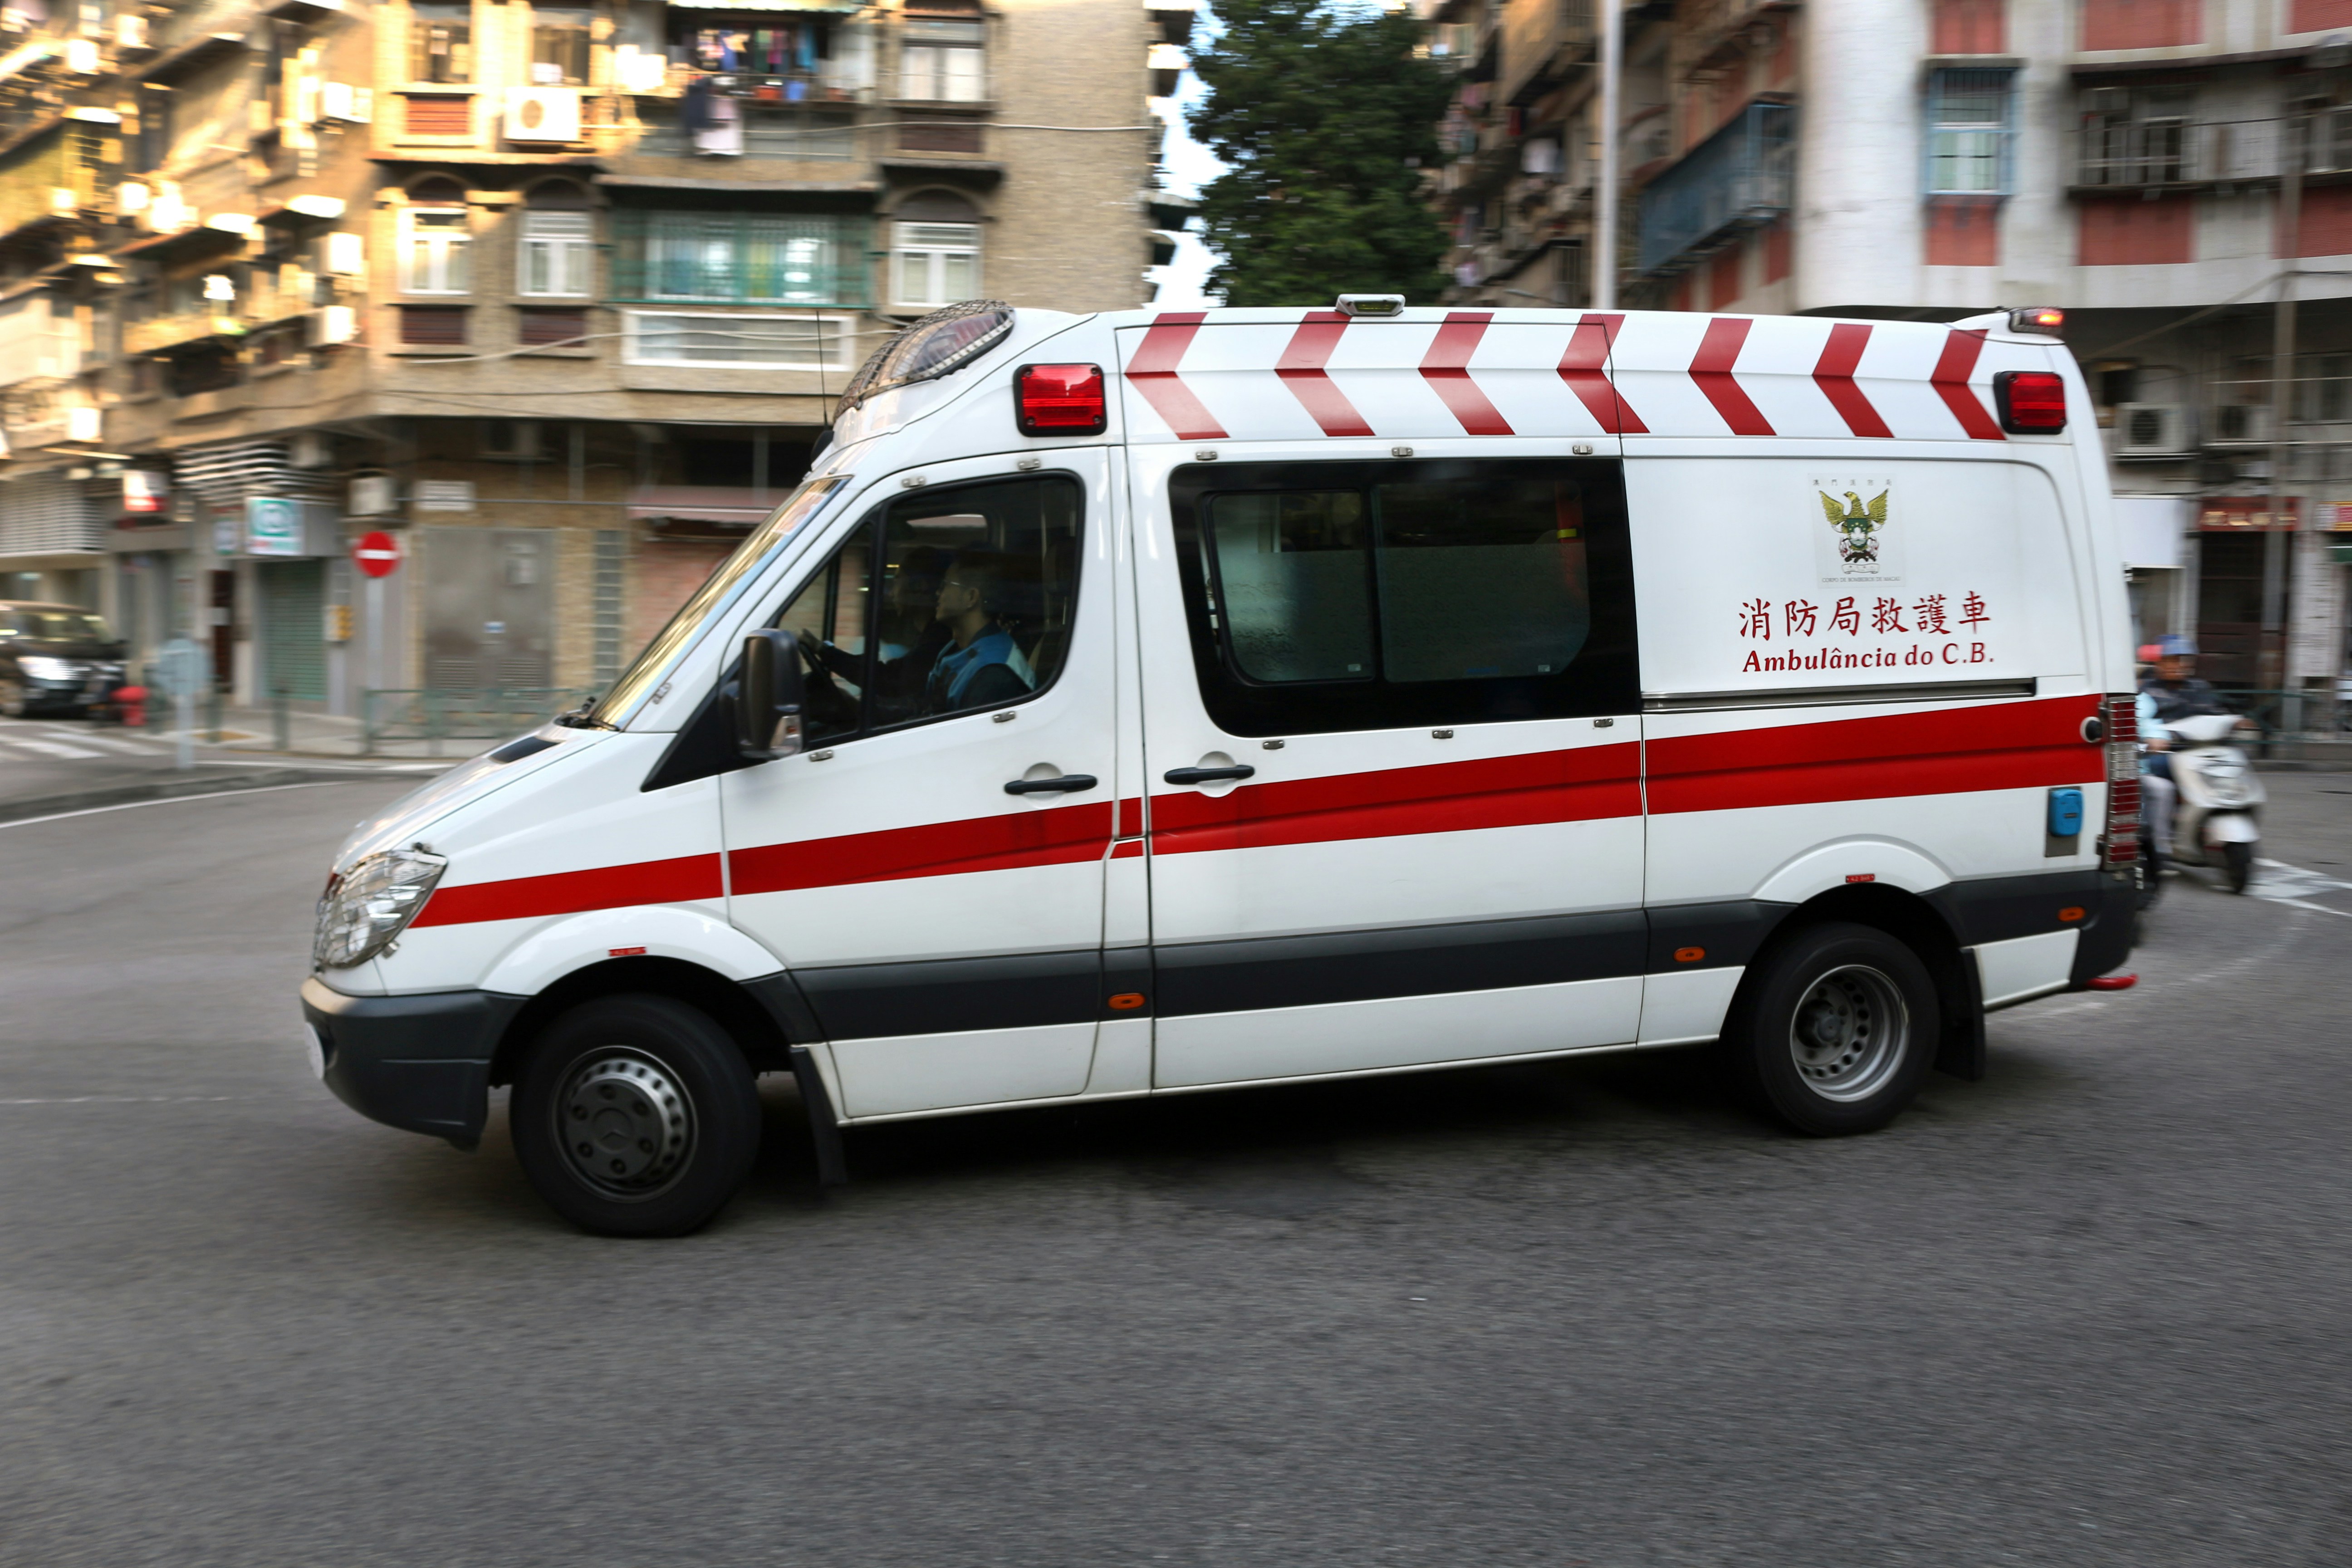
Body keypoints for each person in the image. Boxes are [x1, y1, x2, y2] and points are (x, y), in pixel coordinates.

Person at [925, 553, 1035, 712]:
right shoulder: (958, 647)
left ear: (971, 597)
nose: (938, 593)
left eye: (946, 585)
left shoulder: (993, 673)